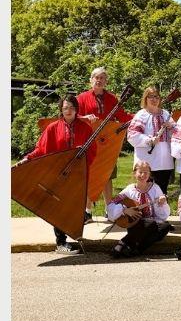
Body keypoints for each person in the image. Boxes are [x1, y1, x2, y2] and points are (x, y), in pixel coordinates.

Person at [17, 95, 94, 254]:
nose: (68, 110)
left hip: (77, 173)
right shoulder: (53, 128)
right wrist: (27, 158)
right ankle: (61, 243)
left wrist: (82, 162)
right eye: (65, 108)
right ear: (61, 109)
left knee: (73, 206)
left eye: (72, 107)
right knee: (58, 206)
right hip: (57, 172)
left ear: (76, 109)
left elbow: (93, 151)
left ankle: (73, 232)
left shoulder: (85, 128)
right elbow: (41, 149)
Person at [76, 67, 133, 215]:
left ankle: (110, 209)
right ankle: (87, 211)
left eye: (102, 78)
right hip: (88, 143)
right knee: (89, 175)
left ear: (106, 81)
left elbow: (122, 116)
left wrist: (140, 116)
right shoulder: (81, 98)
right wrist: (85, 118)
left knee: (107, 175)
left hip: (107, 144)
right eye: (96, 77)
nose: (99, 80)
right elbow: (72, 117)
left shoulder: (112, 98)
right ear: (91, 80)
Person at [106, 160, 172, 258]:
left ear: (150, 174)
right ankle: (123, 245)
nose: (143, 175)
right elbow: (111, 204)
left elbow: (163, 215)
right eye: (140, 172)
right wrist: (124, 210)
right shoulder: (129, 190)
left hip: (152, 224)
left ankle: (135, 249)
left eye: (146, 172)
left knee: (165, 226)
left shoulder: (155, 188)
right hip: (134, 224)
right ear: (134, 173)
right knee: (150, 223)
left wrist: (162, 203)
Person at [126, 86, 176, 195]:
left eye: (156, 97)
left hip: (165, 161)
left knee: (162, 191)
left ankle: (161, 212)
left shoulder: (166, 114)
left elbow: (177, 133)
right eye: (151, 97)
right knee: (146, 191)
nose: (154, 99)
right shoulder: (141, 115)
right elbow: (131, 135)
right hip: (147, 160)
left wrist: (171, 127)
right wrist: (149, 140)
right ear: (145, 99)